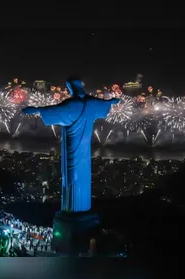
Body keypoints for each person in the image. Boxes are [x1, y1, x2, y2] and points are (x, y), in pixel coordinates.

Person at [22, 77, 119, 212]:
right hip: (85, 147)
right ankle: (81, 210)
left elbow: (54, 110)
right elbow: (104, 104)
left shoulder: (73, 104)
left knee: (71, 175)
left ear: (70, 87)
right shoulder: (92, 102)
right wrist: (111, 102)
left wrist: (36, 110)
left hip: (72, 145)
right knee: (82, 173)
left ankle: (73, 212)